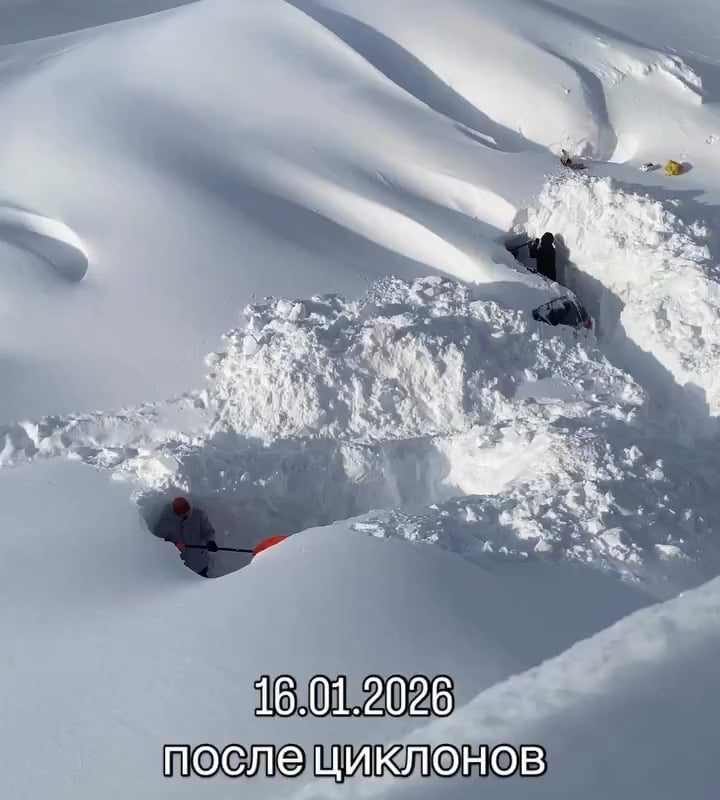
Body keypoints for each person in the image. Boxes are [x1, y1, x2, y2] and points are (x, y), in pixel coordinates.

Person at [152, 496, 218, 578]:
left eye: (187, 512)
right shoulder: (166, 522)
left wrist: (210, 541)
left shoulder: (198, 515)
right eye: (182, 514)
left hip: (200, 562)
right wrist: (171, 544)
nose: (185, 515)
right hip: (181, 567)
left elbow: (208, 531)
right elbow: (157, 540)